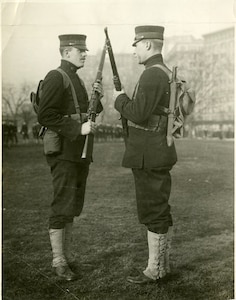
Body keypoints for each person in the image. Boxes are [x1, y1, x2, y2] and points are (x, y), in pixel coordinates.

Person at [113, 25, 177, 284]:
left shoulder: (152, 74)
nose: (134, 51)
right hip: (154, 152)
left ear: (148, 45)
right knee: (158, 208)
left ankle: (156, 270)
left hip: (149, 154)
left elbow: (138, 113)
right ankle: (162, 267)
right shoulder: (161, 71)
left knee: (154, 210)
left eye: (136, 45)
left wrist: (119, 99)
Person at [38, 34, 103, 281]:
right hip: (64, 152)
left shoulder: (77, 79)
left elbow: (87, 114)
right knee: (62, 205)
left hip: (79, 153)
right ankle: (58, 261)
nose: (84, 54)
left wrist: (99, 97)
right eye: (79, 50)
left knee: (73, 206)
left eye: (85, 50)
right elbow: (46, 115)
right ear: (65, 53)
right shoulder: (57, 76)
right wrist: (78, 129)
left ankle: (65, 257)